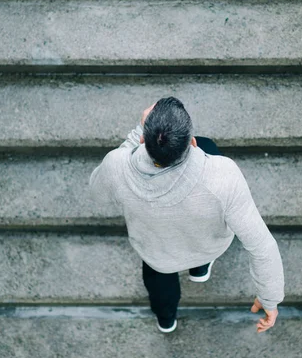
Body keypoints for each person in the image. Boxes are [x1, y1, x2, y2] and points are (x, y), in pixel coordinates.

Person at [90, 97, 284, 333]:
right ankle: (200, 268)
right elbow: (262, 246)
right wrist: (269, 298)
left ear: (143, 140)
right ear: (192, 143)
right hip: (207, 245)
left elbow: (97, 192)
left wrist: (134, 137)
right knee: (210, 146)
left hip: (157, 251)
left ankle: (166, 321)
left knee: (160, 288)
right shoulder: (222, 175)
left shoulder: (116, 166)